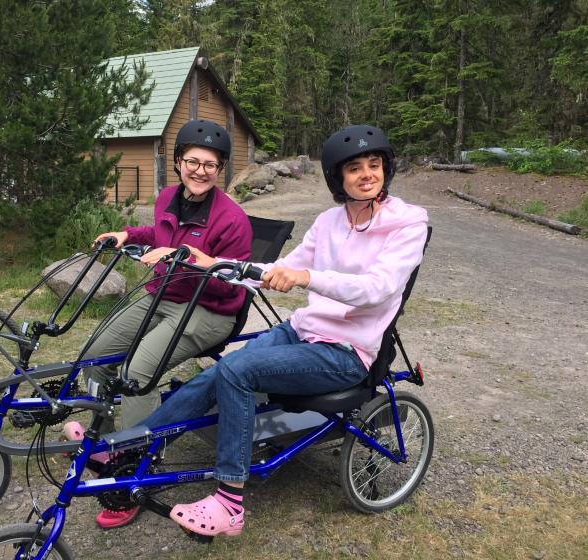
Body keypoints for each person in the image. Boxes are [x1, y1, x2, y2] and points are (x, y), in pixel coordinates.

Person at [137, 124, 429, 537]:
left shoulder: (408, 222)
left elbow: (376, 290)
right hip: (302, 331)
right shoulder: (330, 220)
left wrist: (306, 277)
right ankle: (133, 445)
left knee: (239, 372)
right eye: (355, 168)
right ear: (338, 178)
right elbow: (278, 268)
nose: (367, 174)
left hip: (346, 352)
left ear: (386, 168)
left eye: (374, 164)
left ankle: (230, 503)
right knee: (218, 370)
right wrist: (217, 264)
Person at [77, 119, 253, 529]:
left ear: (219, 169)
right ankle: (103, 441)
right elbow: (157, 233)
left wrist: (184, 261)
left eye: (211, 164)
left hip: (207, 310)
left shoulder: (232, 220)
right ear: (178, 162)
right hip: (160, 295)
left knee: (137, 374)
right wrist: (126, 233)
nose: (200, 170)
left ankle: (135, 470)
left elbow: (232, 290)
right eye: (193, 161)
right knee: (95, 356)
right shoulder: (168, 198)